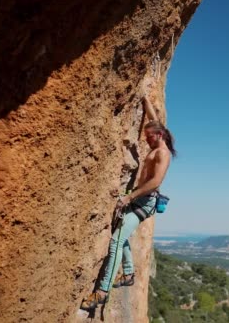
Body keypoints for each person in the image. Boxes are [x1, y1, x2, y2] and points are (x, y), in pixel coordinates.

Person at [81, 94, 176, 310]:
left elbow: (155, 181)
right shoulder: (157, 141)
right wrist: (145, 101)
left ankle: (102, 293)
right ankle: (129, 273)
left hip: (145, 203)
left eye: (149, 137)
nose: (146, 140)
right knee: (121, 234)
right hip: (140, 199)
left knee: (115, 241)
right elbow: (155, 119)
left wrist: (129, 197)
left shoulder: (163, 153)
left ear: (159, 135)